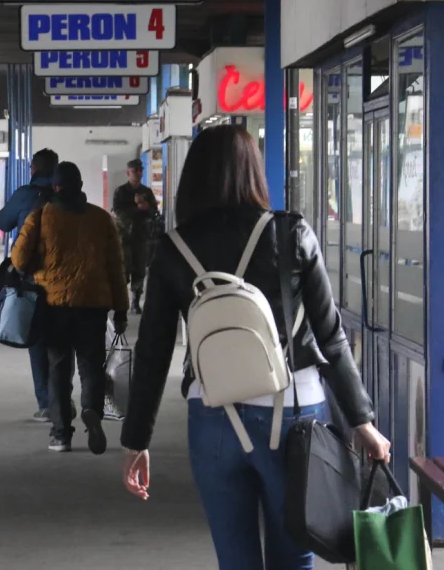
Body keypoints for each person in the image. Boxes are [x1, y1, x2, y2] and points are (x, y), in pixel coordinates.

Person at [119, 124, 389, 570]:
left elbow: (153, 352)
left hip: (212, 416)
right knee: (295, 553)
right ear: (255, 172)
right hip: (295, 419)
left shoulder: (174, 248)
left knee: (235, 560)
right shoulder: (291, 234)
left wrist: (136, 440)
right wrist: (363, 422)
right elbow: (331, 336)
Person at [11, 162, 129, 454]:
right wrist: (122, 309)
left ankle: (61, 434)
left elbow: (18, 260)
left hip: (55, 305)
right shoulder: (102, 219)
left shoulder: (41, 217)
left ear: (55, 187)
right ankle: (92, 412)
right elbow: (116, 267)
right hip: (93, 306)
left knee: (59, 369)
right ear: (80, 186)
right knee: (91, 366)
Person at [0, 149, 70, 422]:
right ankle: (63, 397)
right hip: (65, 279)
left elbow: (1, 222)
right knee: (62, 342)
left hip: (32, 280)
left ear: (33, 168)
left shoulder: (26, 195)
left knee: (37, 340)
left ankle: (46, 403)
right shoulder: (69, 198)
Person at [112, 158, 150, 313]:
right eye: (135, 171)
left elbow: (153, 211)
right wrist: (137, 208)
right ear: (128, 173)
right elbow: (118, 212)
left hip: (141, 236)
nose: (139, 173)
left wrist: (147, 207)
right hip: (124, 237)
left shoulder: (146, 192)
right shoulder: (121, 192)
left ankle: (135, 301)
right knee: (124, 269)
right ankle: (121, 300)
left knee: (140, 269)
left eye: (141, 170)